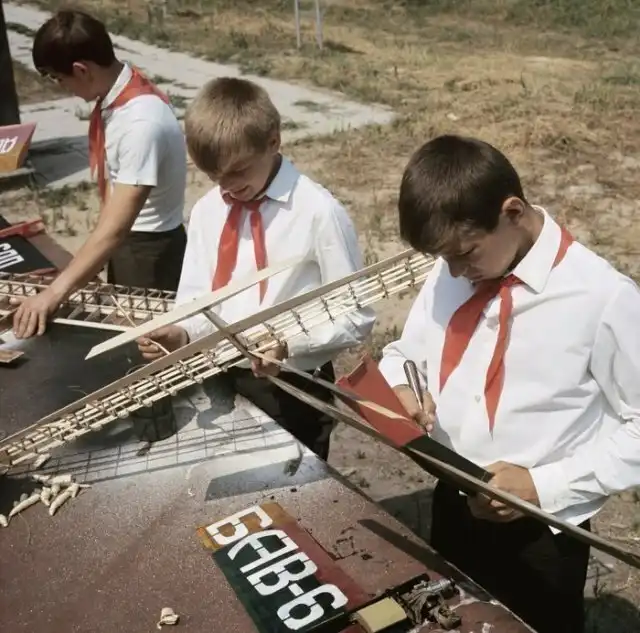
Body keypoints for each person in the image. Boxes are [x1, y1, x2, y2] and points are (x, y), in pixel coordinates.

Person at [377, 134, 640, 633]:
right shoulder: (455, 268)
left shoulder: (601, 298)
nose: (456, 271)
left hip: (541, 532)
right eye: (445, 259)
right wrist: (404, 388)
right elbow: (405, 353)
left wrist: (540, 487)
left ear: (512, 212)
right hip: (452, 497)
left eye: (465, 253)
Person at [136, 77, 376, 460]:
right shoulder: (208, 210)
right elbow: (198, 299)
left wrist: (289, 344)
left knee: (297, 484)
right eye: (215, 177)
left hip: (292, 385)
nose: (228, 187)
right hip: (219, 376)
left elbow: (356, 315)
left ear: (273, 141)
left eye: (238, 171)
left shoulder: (318, 213)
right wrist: (181, 334)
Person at [12, 10, 187, 339]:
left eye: (59, 78)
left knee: (145, 349)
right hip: (129, 243)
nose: (62, 87)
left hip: (148, 256)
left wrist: (54, 293)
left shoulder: (140, 122)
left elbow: (116, 228)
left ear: (81, 69)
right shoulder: (119, 94)